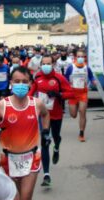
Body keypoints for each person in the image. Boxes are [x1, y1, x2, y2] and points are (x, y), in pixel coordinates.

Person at [0, 66, 51, 200]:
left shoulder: (37, 103)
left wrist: (46, 132)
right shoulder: (3, 105)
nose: (20, 84)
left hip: (31, 157)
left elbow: (46, 114)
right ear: (11, 83)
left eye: (24, 81)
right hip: (9, 160)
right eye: (17, 81)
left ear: (29, 83)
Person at [28, 55, 74, 187]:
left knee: (55, 137)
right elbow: (32, 92)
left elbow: (71, 93)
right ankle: (46, 174)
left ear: (53, 64)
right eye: (43, 63)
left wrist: (59, 95)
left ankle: (57, 147)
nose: (45, 66)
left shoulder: (59, 78)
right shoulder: (37, 77)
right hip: (43, 116)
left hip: (57, 115)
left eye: (48, 63)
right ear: (41, 64)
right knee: (44, 142)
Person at [65, 50, 97, 142]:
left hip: (83, 93)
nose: (80, 58)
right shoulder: (71, 67)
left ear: (84, 58)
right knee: (73, 115)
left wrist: (93, 81)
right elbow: (65, 79)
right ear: (75, 57)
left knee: (82, 112)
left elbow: (91, 76)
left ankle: (81, 133)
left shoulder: (87, 68)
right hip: (73, 93)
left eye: (82, 56)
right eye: (78, 56)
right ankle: (77, 106)